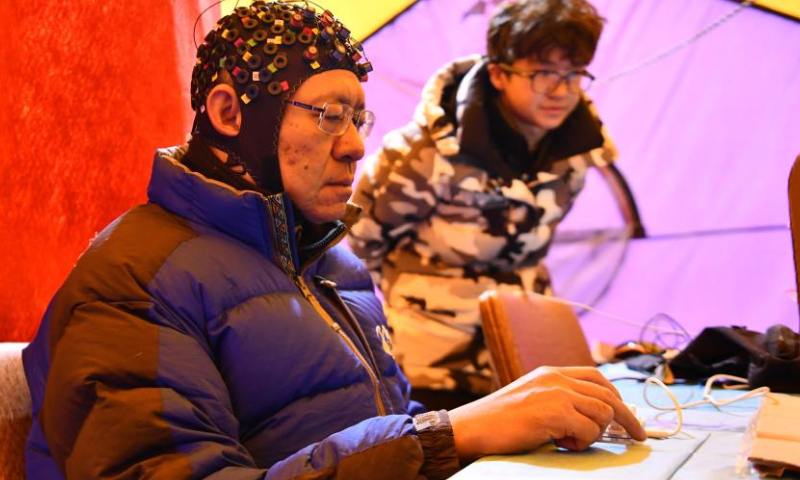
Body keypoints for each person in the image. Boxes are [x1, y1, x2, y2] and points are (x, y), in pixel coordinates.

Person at [22, 2, 645, 479]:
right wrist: (446, 435)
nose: (354, 144)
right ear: (229, 113)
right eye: (328, 115)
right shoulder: (134, 280)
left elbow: (375, 424)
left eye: (357, 117)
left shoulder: (334, 265)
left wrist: (501, 417)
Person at [348, 0, 641, 408]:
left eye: (574, 74)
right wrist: (430, 295)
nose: (561, 91)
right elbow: (363, 243)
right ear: (499, 73)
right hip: (435, 367)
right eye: (542, 74)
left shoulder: (579, 149)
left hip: (530, 355)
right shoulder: (421, 153)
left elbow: (537, 243)